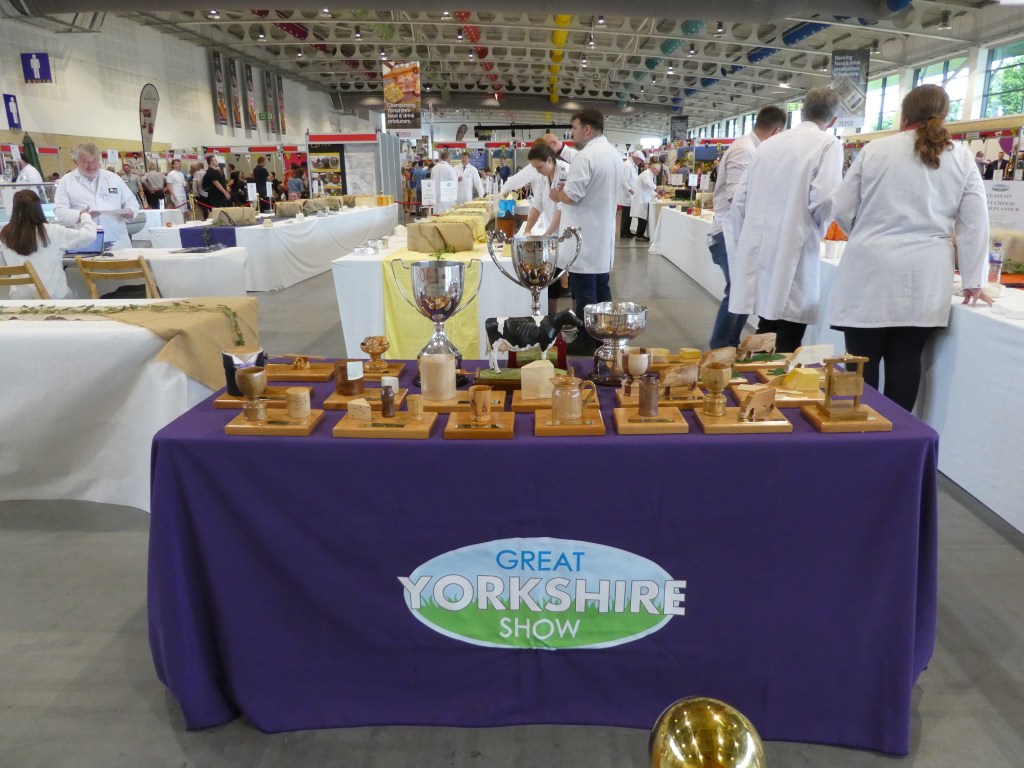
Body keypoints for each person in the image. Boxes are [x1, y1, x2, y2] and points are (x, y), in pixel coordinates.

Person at [829, 84, 990, 412]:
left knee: (861, 362)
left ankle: (855, 438)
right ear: (944, 116)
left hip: (870, 266)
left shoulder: (876, 150)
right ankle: (897, 440)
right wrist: (975, 280)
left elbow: (842, 206)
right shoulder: (961, 158)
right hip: (925, 273)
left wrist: (864, 232)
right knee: (906, 359)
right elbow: (974, 223)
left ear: (903, 116)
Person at [729, 87, 844, 353]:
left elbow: (739, 201)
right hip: (795, 246)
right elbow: (827, 198)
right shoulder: (828, 144)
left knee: (767, 328)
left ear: (801, 111)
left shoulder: (768, 144)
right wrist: (816, 225)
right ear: (834, 120)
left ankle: (751, 386)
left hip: (762, 250)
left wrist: (744, 242)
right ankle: (771, 390)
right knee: (788, 337)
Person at [707, 105, 787, 349]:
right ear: (776, 131)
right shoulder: (745, 150)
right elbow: (735, 197)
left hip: (737, 232)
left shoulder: (752, 149)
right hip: (728, 232)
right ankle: (721, 346)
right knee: (738, 291)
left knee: (742, 291)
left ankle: (728, 344)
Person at [548, 108, 622, 351]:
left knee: (585, 293)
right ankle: (605, 334)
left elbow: (572, 195)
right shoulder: (613, 154)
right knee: (601, 289)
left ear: (587, 129)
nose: (573, 133)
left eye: (575, 127)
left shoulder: (586, 155)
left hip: (584, 237)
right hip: (601, 236)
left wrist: (555, 194)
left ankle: (587, 339)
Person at [1, 189, 98, 299]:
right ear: (38, 207)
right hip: (54, 298)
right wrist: (84, 215)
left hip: (19, 300)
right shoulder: (52, 231)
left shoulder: (4, 234)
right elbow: (89, 235)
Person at [54, 142, 140, 249]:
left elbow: (131, 200)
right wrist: (80, 215)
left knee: (123, 264)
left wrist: (131, 211)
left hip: (117, 238)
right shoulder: (66, 181)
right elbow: (59, 210)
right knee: (89, 265)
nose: (91, 166)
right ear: (75, 162)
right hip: (87, 240)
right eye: (85, 162)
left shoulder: (113, 178)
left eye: (94, 161)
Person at [525, 142, 572, 314]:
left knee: (571, 276)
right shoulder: (542, 176)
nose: (538, 171)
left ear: (550, 160)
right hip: (552, 232)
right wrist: (527, 229)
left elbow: (562, 207)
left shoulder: (566, 171)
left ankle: (576, 319)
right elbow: (538, 204)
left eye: (539, 167)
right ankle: (551, 317)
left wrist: (547, 234)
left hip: (567, 232)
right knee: (551, 278)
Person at [629, 160, 662, 242]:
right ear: (654, 169)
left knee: (643, 218)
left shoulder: (649, 174)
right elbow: (648, 183)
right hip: (641, 199)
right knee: (642, 218)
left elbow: (648, 188)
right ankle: (639, 236)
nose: (657, 173)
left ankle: (640, 234)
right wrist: (656, 187)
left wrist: (655, 194)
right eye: (657, 171)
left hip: (643, 198)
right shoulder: (646, 174)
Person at [618, 150, 643, 239]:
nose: (640, 162)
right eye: (639, 160)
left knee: (629, 214)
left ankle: (627, 231)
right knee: (626, 214)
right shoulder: (627, 165)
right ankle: (623, 232)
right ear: (636, 158)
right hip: (627, 194)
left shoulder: (633, 165)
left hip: (632, 194)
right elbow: (624, 180)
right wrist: (630, 190)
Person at [429, 150, 458, 214]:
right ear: (448, 157)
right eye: (450, 157)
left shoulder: (434, 168)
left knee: (436, 219)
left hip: (436, 198)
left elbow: (432, 182)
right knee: (446, 220)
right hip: (447, 200)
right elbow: (454, 183)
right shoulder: (449, 168)